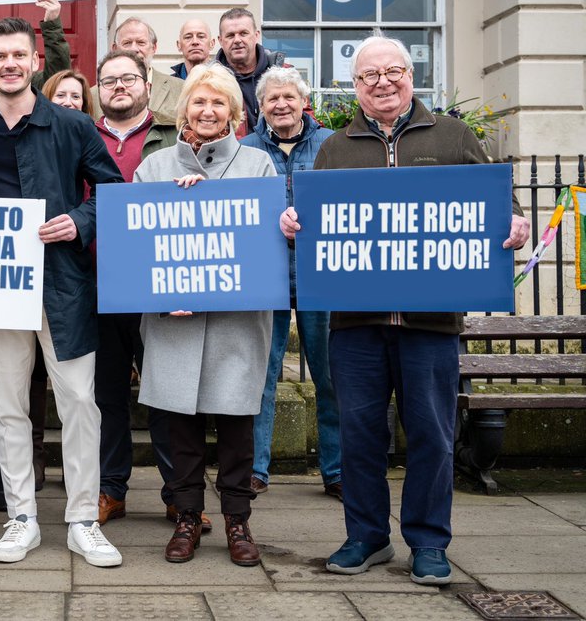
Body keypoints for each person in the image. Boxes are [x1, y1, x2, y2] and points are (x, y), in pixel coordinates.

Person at [279, 35, 531, 586]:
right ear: (355, 86)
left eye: (393, 71)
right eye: (369, 76)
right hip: (355, 325)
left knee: (433, 436)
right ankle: (366, 537)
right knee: (359, 434)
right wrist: (294, 224)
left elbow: (501, 201)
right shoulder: (334, 148)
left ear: (410, 74)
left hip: (431, 324)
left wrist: (516, 221)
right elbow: (311, 220)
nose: (383, 82)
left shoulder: (453, 134)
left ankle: (428, 542)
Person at [0, 17, 126, 568]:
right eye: (0, 56)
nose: (10, 64)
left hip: (62, 282)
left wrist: (80, 221)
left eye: (20, 54)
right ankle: (22, 516)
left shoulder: (71, 124)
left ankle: (83, 519)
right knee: (7, 404)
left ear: (36, 61)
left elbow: (113, 191)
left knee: (80, 403)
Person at [135, 63, 274, 567]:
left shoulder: (257, 164)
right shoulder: (153, 168)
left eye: (219, 102)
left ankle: (238, 520)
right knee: (181, 430)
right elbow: (138, 251)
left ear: (234, 112)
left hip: (237, 324)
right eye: (199, 101)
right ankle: (187, 517)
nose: (208, 110)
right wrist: (159, 292)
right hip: (174, 323)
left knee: (238, 429)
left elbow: (264, 243)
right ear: (184, 108)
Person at [90, 51, 188, 529]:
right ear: (98, 91)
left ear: (146, 83)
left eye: (128, 78)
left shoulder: (176, 135)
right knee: (106, 395)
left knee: (166, 392)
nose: (119, 87)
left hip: (160, 284)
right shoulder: (81, 135)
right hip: (99, 283)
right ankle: (111, 490)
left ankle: (178, 493)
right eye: (110, 81)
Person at [240, 66, 341, 500]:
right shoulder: (244, 149)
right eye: (271, 99)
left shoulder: (333, 145)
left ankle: (336, 470)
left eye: (289, 97)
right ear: (260, 107)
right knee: (259, 377)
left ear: (304, 101)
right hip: (265, 275)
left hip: (322, 276)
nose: (281, 105)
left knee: (331, 376)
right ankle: (255, 470)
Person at [88, 17, 185, 122]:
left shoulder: (181, 89)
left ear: (154, 47)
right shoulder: (93, 95)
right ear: (114, 49)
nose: (134, 49)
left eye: (141, 42)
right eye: (127, 43)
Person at [0, 0, 72, 92]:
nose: (10, 65)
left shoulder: (30, 79)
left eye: (19, 55)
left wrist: (52, 25)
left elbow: (57, 74)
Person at [214, 8, 286, 132]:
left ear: (256, 35)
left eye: (243, 33)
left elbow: (305, 119)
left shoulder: (284, 74)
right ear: (220, 40)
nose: (237, 40)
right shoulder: (209, 80)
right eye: (230, 35)